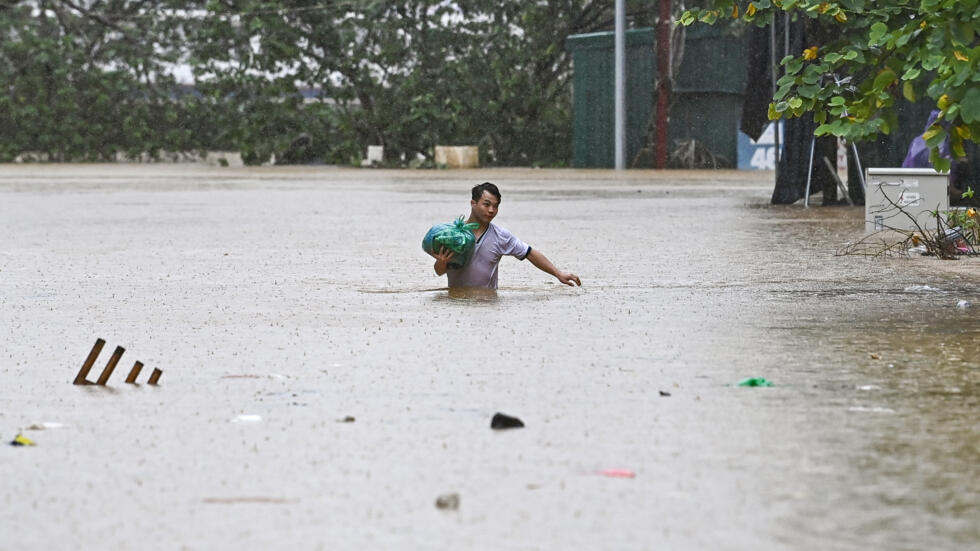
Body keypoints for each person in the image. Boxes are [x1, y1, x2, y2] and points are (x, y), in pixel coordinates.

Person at [428, 182, 581, 289]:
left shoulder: (501, 236)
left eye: (495, 206)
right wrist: (441, 262)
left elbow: (530, 253)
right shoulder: (454, 236)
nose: (491, 210)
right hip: (457, 303)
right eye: (486, 204)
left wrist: (558, 273)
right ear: (473, 203)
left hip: (487, 303)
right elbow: (439, 271)